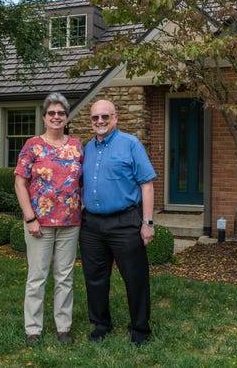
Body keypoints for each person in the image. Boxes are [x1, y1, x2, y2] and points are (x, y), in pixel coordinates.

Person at [79, 99, 156, 346]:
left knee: (135, 278)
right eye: (95, 118)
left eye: (105, 117)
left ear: (115, 118)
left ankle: (140, 329)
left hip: (125, 223)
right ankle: (101, 325)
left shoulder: (131, 144)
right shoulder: (87, 149)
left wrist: (147, 222)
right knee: (95, 278)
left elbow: (147, 184)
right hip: (92, 226)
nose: (100, 121)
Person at [14, 93, 84, 347]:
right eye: (52, 113)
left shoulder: (76, 146)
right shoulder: (32, 146)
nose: (57, 117)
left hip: (70, 223)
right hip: (39, 224)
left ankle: (63, 327)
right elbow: (20, 183)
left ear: (66, 118)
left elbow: (81, 181)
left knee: (65, 277)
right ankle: (33, 329)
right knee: (37, 276)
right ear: (44, 117)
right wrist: (30, 217)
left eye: (61, 113)